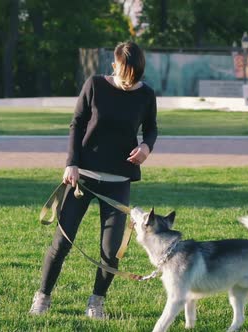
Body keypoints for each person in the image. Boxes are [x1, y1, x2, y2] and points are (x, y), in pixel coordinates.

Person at [29, 41, 158, 319]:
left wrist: (147, 146)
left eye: (133, 76)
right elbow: (77, 123)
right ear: (114, 65)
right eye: (124, 74)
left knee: (112, 251)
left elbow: (151, 128)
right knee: (62, 242)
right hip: (82, 178)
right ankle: (43, 296)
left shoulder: (146, 95)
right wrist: (71, 164)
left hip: (118, 179)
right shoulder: (95, 85)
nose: (128, 81)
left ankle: (96, 302)